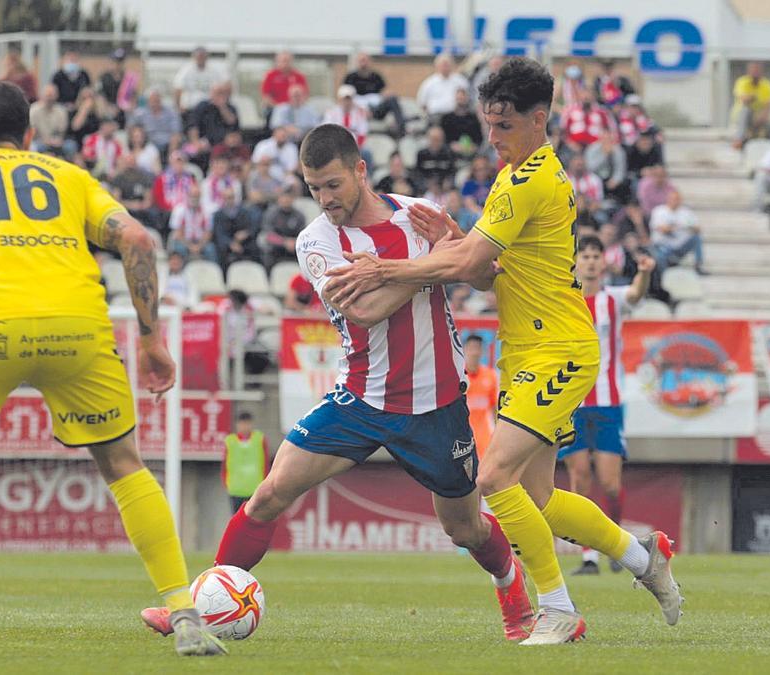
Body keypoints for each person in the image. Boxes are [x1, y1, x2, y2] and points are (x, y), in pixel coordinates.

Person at [0, 80, 226, 660]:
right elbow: (137, 238)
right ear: (28, 135)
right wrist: (151, 340)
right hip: (78, 328)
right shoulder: (67, 175)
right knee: (125, 464)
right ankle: (186, 615)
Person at [323, 58, 681, 644]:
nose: (492, 138)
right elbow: (486, 274)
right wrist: (453, 240)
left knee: (492, 477)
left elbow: (467, 268)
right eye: (489, 124)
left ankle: (559, 609)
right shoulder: (520, 172)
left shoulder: (529, 179)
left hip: (558, 349)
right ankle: (645, 559)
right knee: (535, 497)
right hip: (526, 350)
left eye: (504, 125)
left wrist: (386, 267)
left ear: (539, 120)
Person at [141, 123, 536, 643]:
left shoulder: (419, 213)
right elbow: (365, 309)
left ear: (360, 170)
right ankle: (198, 607)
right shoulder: (317, 240)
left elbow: (484, 275)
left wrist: (454, 248)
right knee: (267, 495)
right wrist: (436, 264)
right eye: (313, 188)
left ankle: (515, 596)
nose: (324, 199)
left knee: (464, 528)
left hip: (435, 402)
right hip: (360, 397)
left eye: (332, 185)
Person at [562, 236, 654, 575]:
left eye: (594, 256)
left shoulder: (612, 300)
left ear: (604, 262)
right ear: (575, 261)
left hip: (607, 403)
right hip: (570, 403)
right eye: (583, 256)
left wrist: (643, 273)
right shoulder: (564, 298)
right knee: (580, 479)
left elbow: (636, 294)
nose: (589, 262)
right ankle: (589, 556)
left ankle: (617, 544)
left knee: (611, 483)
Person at [343, 52, 406, 137]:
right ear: (357, 62)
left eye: (365, 61)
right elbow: (345, 97)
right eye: (361, 61)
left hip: (376, 108)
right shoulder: (350, 78)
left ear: (370, 62)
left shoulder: (376, 77)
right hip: (359, 108)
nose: (363, 63)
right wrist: (361, 109)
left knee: (392, 99)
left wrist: (387, 94)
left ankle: (401, 127)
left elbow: (384, 91)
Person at [222, 412, 270, 513]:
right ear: (237, 425)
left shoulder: (259, 439)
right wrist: (227, 483)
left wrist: (265, 482)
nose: (244, 427)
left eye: (247, 423)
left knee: (254, 519)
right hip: (236, 490)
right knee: (237, 519)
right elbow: (225, 464)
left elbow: (265, 462)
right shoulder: (230, 441)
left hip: (255, 489)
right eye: (242, 424)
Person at [649, 190, 706, 274]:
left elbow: (698, 229)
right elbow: (660, 228)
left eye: (677, 199)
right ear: (667, 199)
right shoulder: (659, 211)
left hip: (680, 246)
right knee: (661, 253)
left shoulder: (686, 212)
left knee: (696, 238)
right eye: (672, 199)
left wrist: (688, 226)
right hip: (663, 245)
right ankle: (662, 276)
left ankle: (698, 265)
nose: (674, 201)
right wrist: (676, 227)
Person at [463, 335, 497, 458]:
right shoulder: (458, 377)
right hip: (463, 437)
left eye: (478, 348)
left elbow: (494, 408)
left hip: (485, 438)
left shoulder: (490, 376)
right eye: (471, 348)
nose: (474, 352)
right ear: (464, 349)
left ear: (483, 351)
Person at [730, 61, 770, 149]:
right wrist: (754, 97)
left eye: (757, 70)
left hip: (759, 116)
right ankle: (739, 139)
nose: (755, 73)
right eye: (753, 70)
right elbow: (744, 100)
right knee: (746, 111)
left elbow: (769, 105)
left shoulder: (767, 85)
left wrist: (762, 116)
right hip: (742, 117)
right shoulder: (742, 82)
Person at [173, 47, 230, 113]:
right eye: (198, 56)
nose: (200, 59)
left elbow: (227, 85)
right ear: (193, 57)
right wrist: (178, 107)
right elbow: (178, 89)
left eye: (203, 56)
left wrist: (224, 103)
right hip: (191, 108)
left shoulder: (216, 70)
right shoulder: (186, 70)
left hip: (211, 109)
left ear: (207, 57)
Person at [416, 55, 469, 120]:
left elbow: (467, 99)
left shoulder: (461, 81)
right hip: (436, 116)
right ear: (437, 66)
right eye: (443, 65)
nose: (445, 68)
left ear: (452, 65)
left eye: (447, 65)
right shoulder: (429, 83)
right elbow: (422, 103)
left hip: (455, 116)